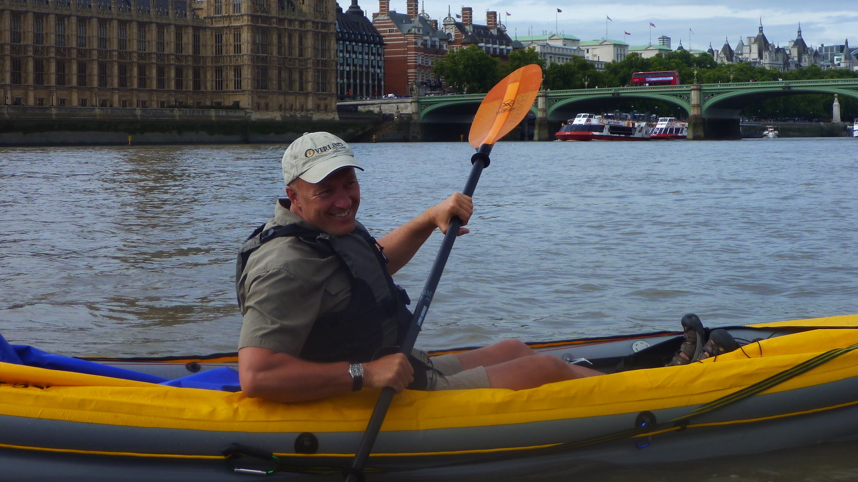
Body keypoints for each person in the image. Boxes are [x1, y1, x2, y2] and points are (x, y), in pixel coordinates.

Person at [236, 132, 602, 403]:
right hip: (371, 393)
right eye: (326, 191)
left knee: (515, 347)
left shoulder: (325, 228)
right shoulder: (283, 267)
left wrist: (429, 218)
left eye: (349, 184)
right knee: (547, 370)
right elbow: (257, 375)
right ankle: (647, 396)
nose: (344, 200)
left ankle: (633, 385)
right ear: (293, 195)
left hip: (399, 365)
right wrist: (367, 373)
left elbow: (367, 272)